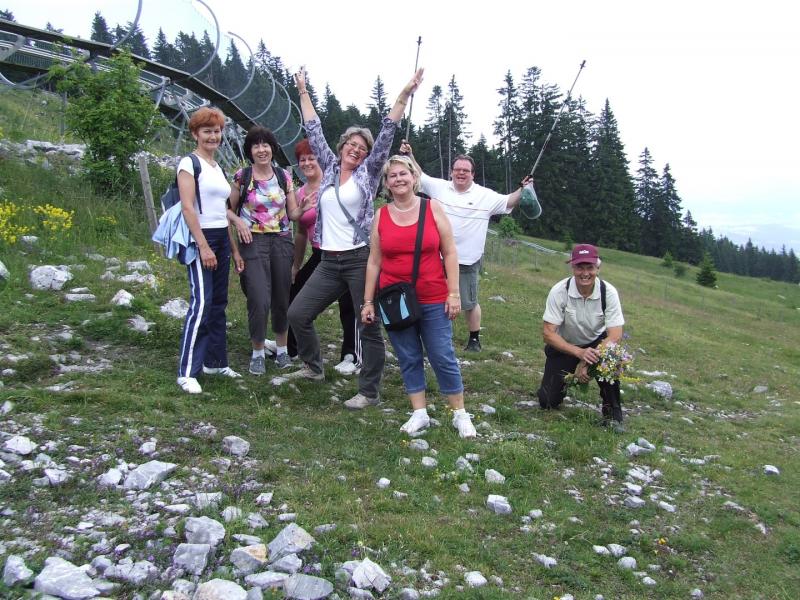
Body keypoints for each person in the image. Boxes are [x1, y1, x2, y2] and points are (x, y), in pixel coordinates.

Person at [286, 66, 423, 409]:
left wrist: (404, 95)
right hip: (327, 260)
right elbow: (313, 127)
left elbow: (388, 130)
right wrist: (302, 90)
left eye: (363, 147)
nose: (357, 150)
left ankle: (369, 392)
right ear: (342, 146)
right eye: (352, 144)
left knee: (368, 325)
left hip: (360, 258)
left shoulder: (369, 172)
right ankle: (313, 367)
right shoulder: (329, 167)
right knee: (297, 313)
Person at [361, 156, 476, 437]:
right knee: (408, 355)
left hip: (434, 295)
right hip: (394, 300)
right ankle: (419, 413)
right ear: (387, 183)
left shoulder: (432, 208)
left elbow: (450, 251)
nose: (398, 179)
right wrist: (368, 301)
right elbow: (374, 261)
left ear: (414, 178)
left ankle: (460, 414)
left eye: (403, 173)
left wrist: (454, 293)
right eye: (392, 176)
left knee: (441, 354)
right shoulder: (381, 215)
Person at [400, 141, 533, 352]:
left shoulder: (485, 195)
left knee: (469, 302)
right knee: (430, 298)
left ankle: (474, 339)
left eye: (466, 171)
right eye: (457, 170)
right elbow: (419, 174)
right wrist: (409, 154)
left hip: (467, 260)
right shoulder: (439, 187)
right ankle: (430, 335)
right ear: (451, 172)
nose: (461, 173)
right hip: (435, 258)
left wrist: (523, 188)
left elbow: (509, 201)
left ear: (473, 174)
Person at [228, 126, 305, 375]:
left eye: (266, 145)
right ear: (250, 150)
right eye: (256, 145)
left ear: (272, 148)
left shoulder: (284, 176)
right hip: (252, 241)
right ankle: (258, 353)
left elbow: (292, 214)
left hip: (281, 241)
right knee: (258, 298)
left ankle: (282, 351)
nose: (261, 150)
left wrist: (304, 207)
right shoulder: (242, 176)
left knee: (282, 298)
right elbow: (226, 209)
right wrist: (239, 222)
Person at [176, 107, 241, 394]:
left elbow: (221, 211)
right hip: (201, 237)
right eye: (207, 131)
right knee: (201, 303)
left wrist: (233, 249)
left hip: (221, 236)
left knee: (218, 304)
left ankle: (215, 362)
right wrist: (203, 246)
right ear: (195, 134)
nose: (213, 136)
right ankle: (187, 371)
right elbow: (188, 208)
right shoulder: (189, 164)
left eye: (217, 131)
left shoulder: (216, 167)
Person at [288, 139, 360, 376]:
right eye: (302, 160)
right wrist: (296, 265)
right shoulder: (300, 193)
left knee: (349, 303)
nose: (307, 163)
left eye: (312, 158)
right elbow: (301, 232)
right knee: (296, 292)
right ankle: (294, 349)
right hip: (320, 252)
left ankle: (351, 354)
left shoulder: (335, 183)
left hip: (346, 250)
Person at [536, 244, 626, 431]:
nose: (585, 273)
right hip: (566, 344)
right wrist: (579, 353)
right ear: (572, 268)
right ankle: (560, 386)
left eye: (590, 267)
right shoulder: (559, 291)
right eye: (580, 267)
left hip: (597, 345)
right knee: (547, 401)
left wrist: (587, 361)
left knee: (612, 358)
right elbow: (548, 333)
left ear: (598, 268)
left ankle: (612, 413)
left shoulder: (608, 292)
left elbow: (615, 334)